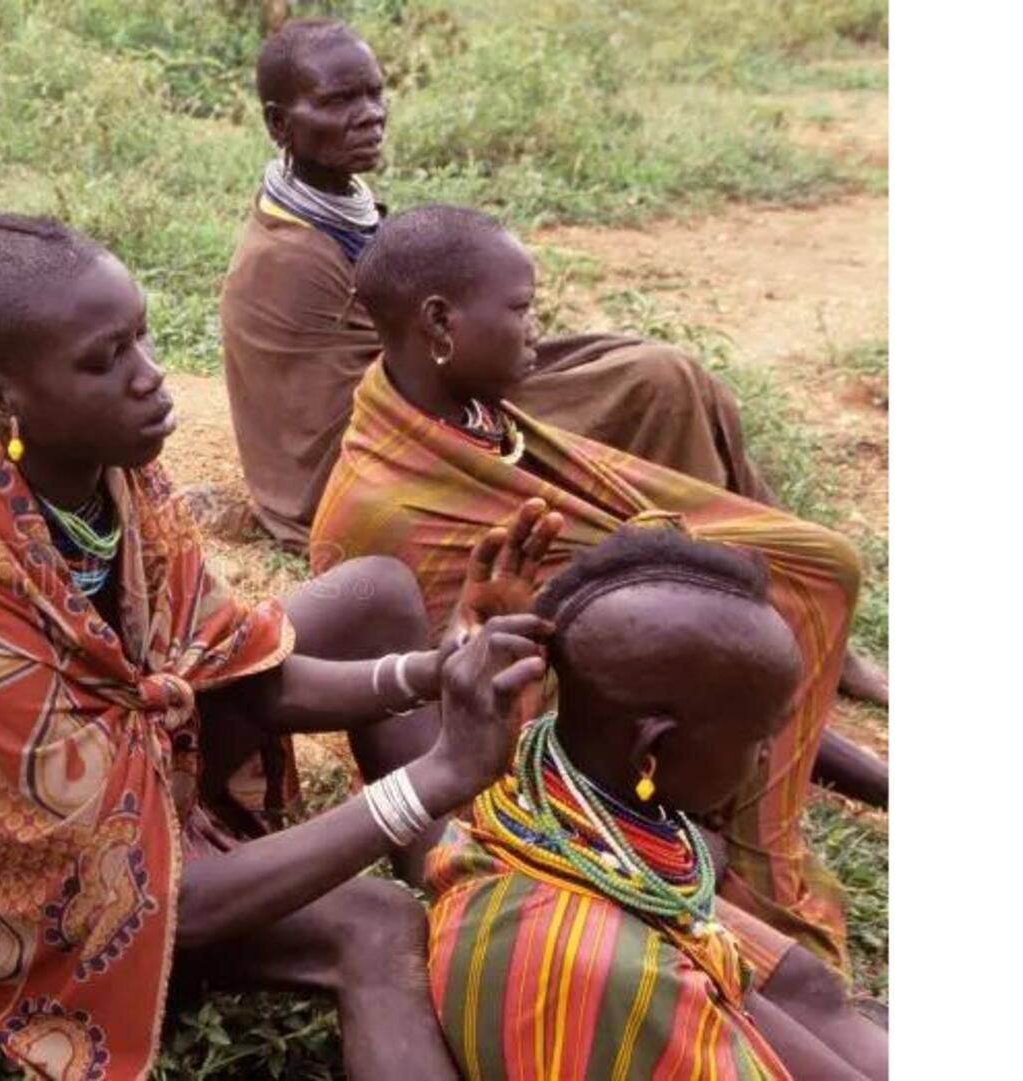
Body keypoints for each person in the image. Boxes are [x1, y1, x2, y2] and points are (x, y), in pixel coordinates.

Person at [0, 214, 556, 1081]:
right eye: (104, 361)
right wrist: (433, 777)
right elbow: (142, 900)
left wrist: (433, 671)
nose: (150, 378)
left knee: (374, 593)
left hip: (130, 781)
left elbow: (238, 673)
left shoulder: (116, 472)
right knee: (371, 922)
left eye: (140, 338)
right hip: (24, 919)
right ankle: (448, 861)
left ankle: (462, 876)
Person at [217, 18, 887, 704]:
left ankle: (772, 592)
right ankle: (751, 612)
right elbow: (335, 430)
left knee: (669, 369)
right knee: (659, 384)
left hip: (428, 389)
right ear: (279, 122)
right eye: (337, 102)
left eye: (374, 94)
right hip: (379, 455)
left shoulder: (334, 210)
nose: (368, 115)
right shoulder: (286, 260)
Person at [309, 203, 886, 971]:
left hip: (590, 715)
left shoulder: (480, 420)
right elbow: (440, 720)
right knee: (759, 936)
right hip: (498, 779)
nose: (536, 327)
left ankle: (735, 805)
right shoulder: (386, 509)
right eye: (521, 309)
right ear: (441, 324)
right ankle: (743, 848)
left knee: (801, 569)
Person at [425, 528, 887, 1080]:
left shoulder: (536, 780)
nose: (767, 756)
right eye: (759, 736)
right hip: (616, 981)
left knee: (804, 984)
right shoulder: (624, 980)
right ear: (653, 751)